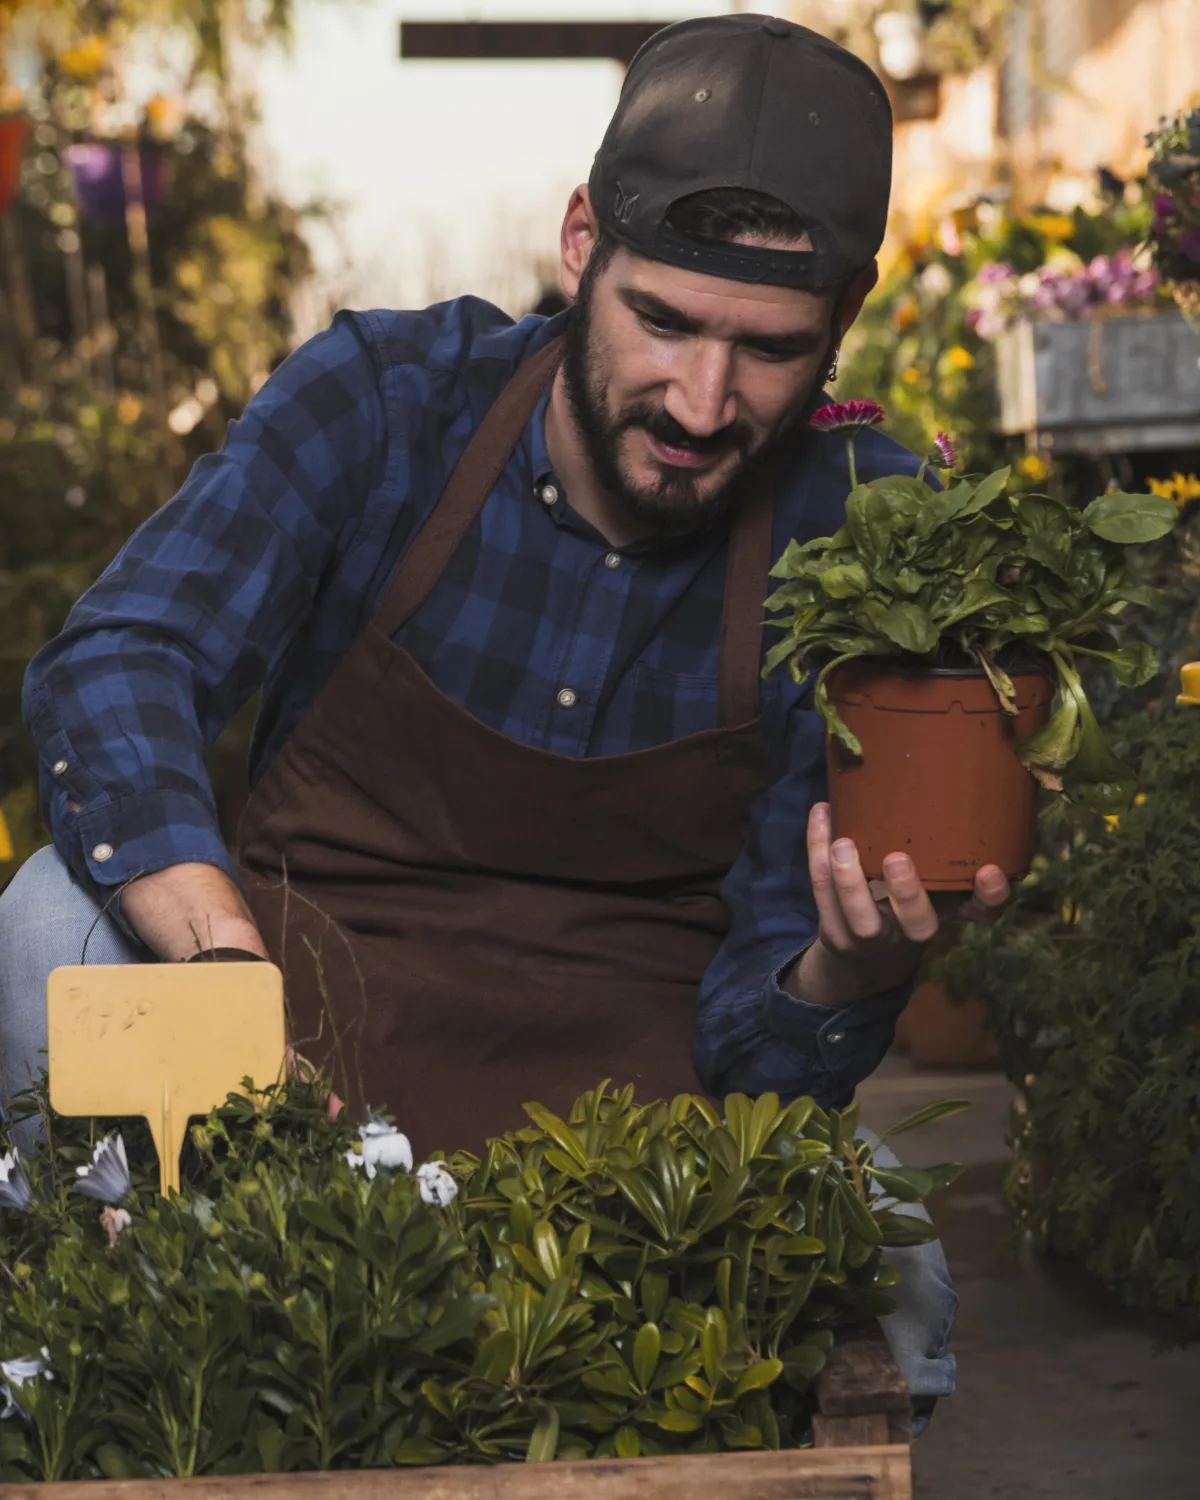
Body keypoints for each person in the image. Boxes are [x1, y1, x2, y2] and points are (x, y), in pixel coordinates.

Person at [0, 15, 1005, 1422]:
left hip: (624, 1102)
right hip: (299, 1039)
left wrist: (844, 973)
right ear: (582, 243)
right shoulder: (388, 402)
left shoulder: (860, 533)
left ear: (843, 315)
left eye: (768, 350)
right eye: (664, 320)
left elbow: (767, 1055)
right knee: (50, 914)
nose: (703, 402)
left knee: (907, 1295)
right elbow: (116, 661)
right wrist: (224, 978)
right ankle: (160, 1342)